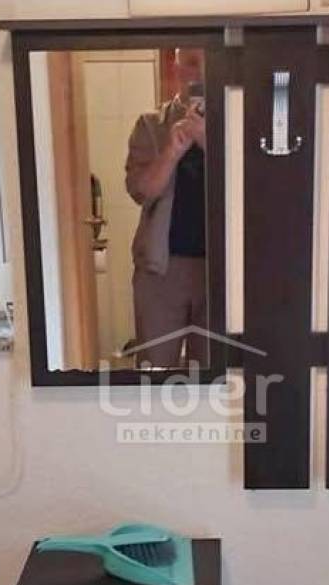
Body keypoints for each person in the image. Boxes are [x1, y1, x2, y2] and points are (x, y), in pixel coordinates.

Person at [125, 48, 207, 369]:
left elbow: (252, 189)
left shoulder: (236, 125)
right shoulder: (150, 125)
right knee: (154, 371)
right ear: (176, 68)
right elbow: (141, 191)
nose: (201, 73)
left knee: (214, 377)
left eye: (209, 64)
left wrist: (209, 142)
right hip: (161, 269)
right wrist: (171, 152)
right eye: (191, 63)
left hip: (220, 272)